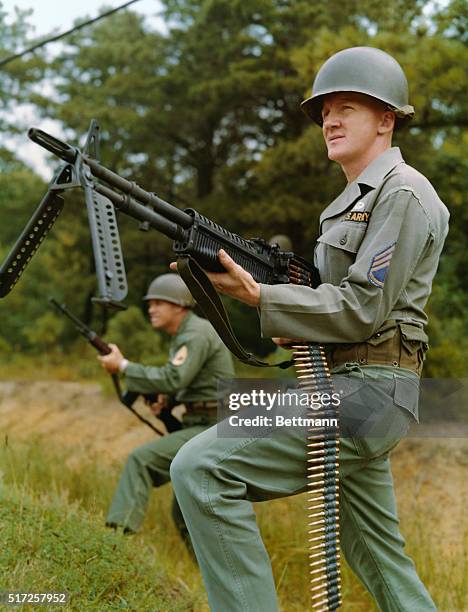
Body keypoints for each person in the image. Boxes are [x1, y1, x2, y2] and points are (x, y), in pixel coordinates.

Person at [169, 47, 449, 611]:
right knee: (378, 556)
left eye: (346, 107)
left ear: (387, 119)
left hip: (368, 390)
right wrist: (273, 304)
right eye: (324, 112)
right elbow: (331, 303)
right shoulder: (345, 206)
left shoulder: (403, 193)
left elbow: (364, 307)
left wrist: (263, 296)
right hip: (347, 384)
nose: (330, 120)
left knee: (199, 468)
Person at [98, 273, 235, 542]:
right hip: (206, 424)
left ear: (179, 305)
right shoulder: (187, 333)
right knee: (185, 514)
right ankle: (204, 578)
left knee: (141, 461)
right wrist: (169, 401)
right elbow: (193, 381)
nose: (151, 309)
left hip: (213, 427)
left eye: (159, 303)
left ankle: (116, 539)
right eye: (150, 304)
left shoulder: (194, 334)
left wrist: (123, 367)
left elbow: (174, 378)